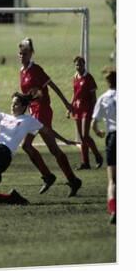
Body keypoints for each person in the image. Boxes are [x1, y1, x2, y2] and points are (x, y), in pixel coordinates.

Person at [18, 38, 82, 197]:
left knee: (26, 145)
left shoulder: (36, 70)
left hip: (43, 110)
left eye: (25, 53)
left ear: (31, 53)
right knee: (52, 149)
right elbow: (28, 96)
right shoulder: (22, 71)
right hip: (33, 112)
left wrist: (67, 103)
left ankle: (48, 176)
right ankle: (72, 180)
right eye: (20, 53)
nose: (22, 56)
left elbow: (52, 86)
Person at [91, 69, 116, 224]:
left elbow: (94, 123)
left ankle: (113, 209)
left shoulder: (103, 98)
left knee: (112, 180)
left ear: (107, 82)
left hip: (113, 137)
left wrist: (99, 132)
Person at [71, 56, 103, 169]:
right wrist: (70, 107)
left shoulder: (89, 78)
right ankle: (85, 163)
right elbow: (74, 94)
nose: (78, 67)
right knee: (81, 136)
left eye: (80, 64)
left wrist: (94, 110)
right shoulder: (75, 77)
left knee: (85, 135)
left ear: (84, 65)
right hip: (77, 109)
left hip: (87, 109)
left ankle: (98, 156)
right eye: (76, 65)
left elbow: (94, 97)